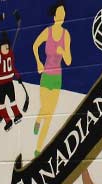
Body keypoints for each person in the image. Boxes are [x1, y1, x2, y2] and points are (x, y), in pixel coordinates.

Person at [32, 1, 72, 155]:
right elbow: (35, 45)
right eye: (59, 13)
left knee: (49, 114)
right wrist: (38, 62)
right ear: (54, 16)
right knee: (45, 108)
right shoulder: (47, 32)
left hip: (57, 78)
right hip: (46, 76)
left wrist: (64, 51)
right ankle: (37, 120)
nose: (62, 16)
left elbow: (68, 61)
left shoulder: (66, 35)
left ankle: (38, 149)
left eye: (64, 14)